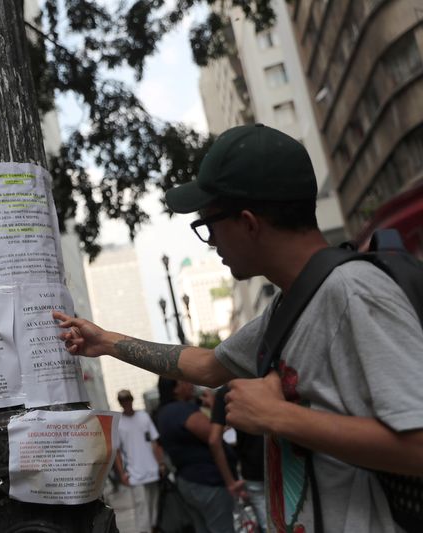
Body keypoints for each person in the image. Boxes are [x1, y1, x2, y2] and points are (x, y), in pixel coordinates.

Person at [54, 123, 423, 532]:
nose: (212, 242)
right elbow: (209, 366)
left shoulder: (354, 292)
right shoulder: (289, 305)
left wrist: (277, 417)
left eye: (209, 225)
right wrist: (107, 341)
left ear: (248, 223)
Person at [154, 379, 235, 533]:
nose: (191, 385)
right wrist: (215, 406)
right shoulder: (182, 410)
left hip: (188, 480)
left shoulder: (164, 412)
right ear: (175, 389)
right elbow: (213, 437)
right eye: (185, 382)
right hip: (207, 479)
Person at [209, 386, 266, 532]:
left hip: (253, 470)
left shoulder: (227, 390)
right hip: (287, 465)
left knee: (269, 526)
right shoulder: (271, 376)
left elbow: (214, 440)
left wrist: (231, 483)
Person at [113, 389, 166, 533]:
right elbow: (116, 451)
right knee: (141, 506)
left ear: (132, 399)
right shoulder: (118, 423)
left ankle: (154, 529)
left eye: (128, 399)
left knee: (154, 506)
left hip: (152, 469)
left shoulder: (144, 417)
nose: (126, 402)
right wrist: (122, 473)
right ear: (120, 403)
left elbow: (155, 442)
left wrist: (160, 463)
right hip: (134, 473)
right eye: (123, 400)